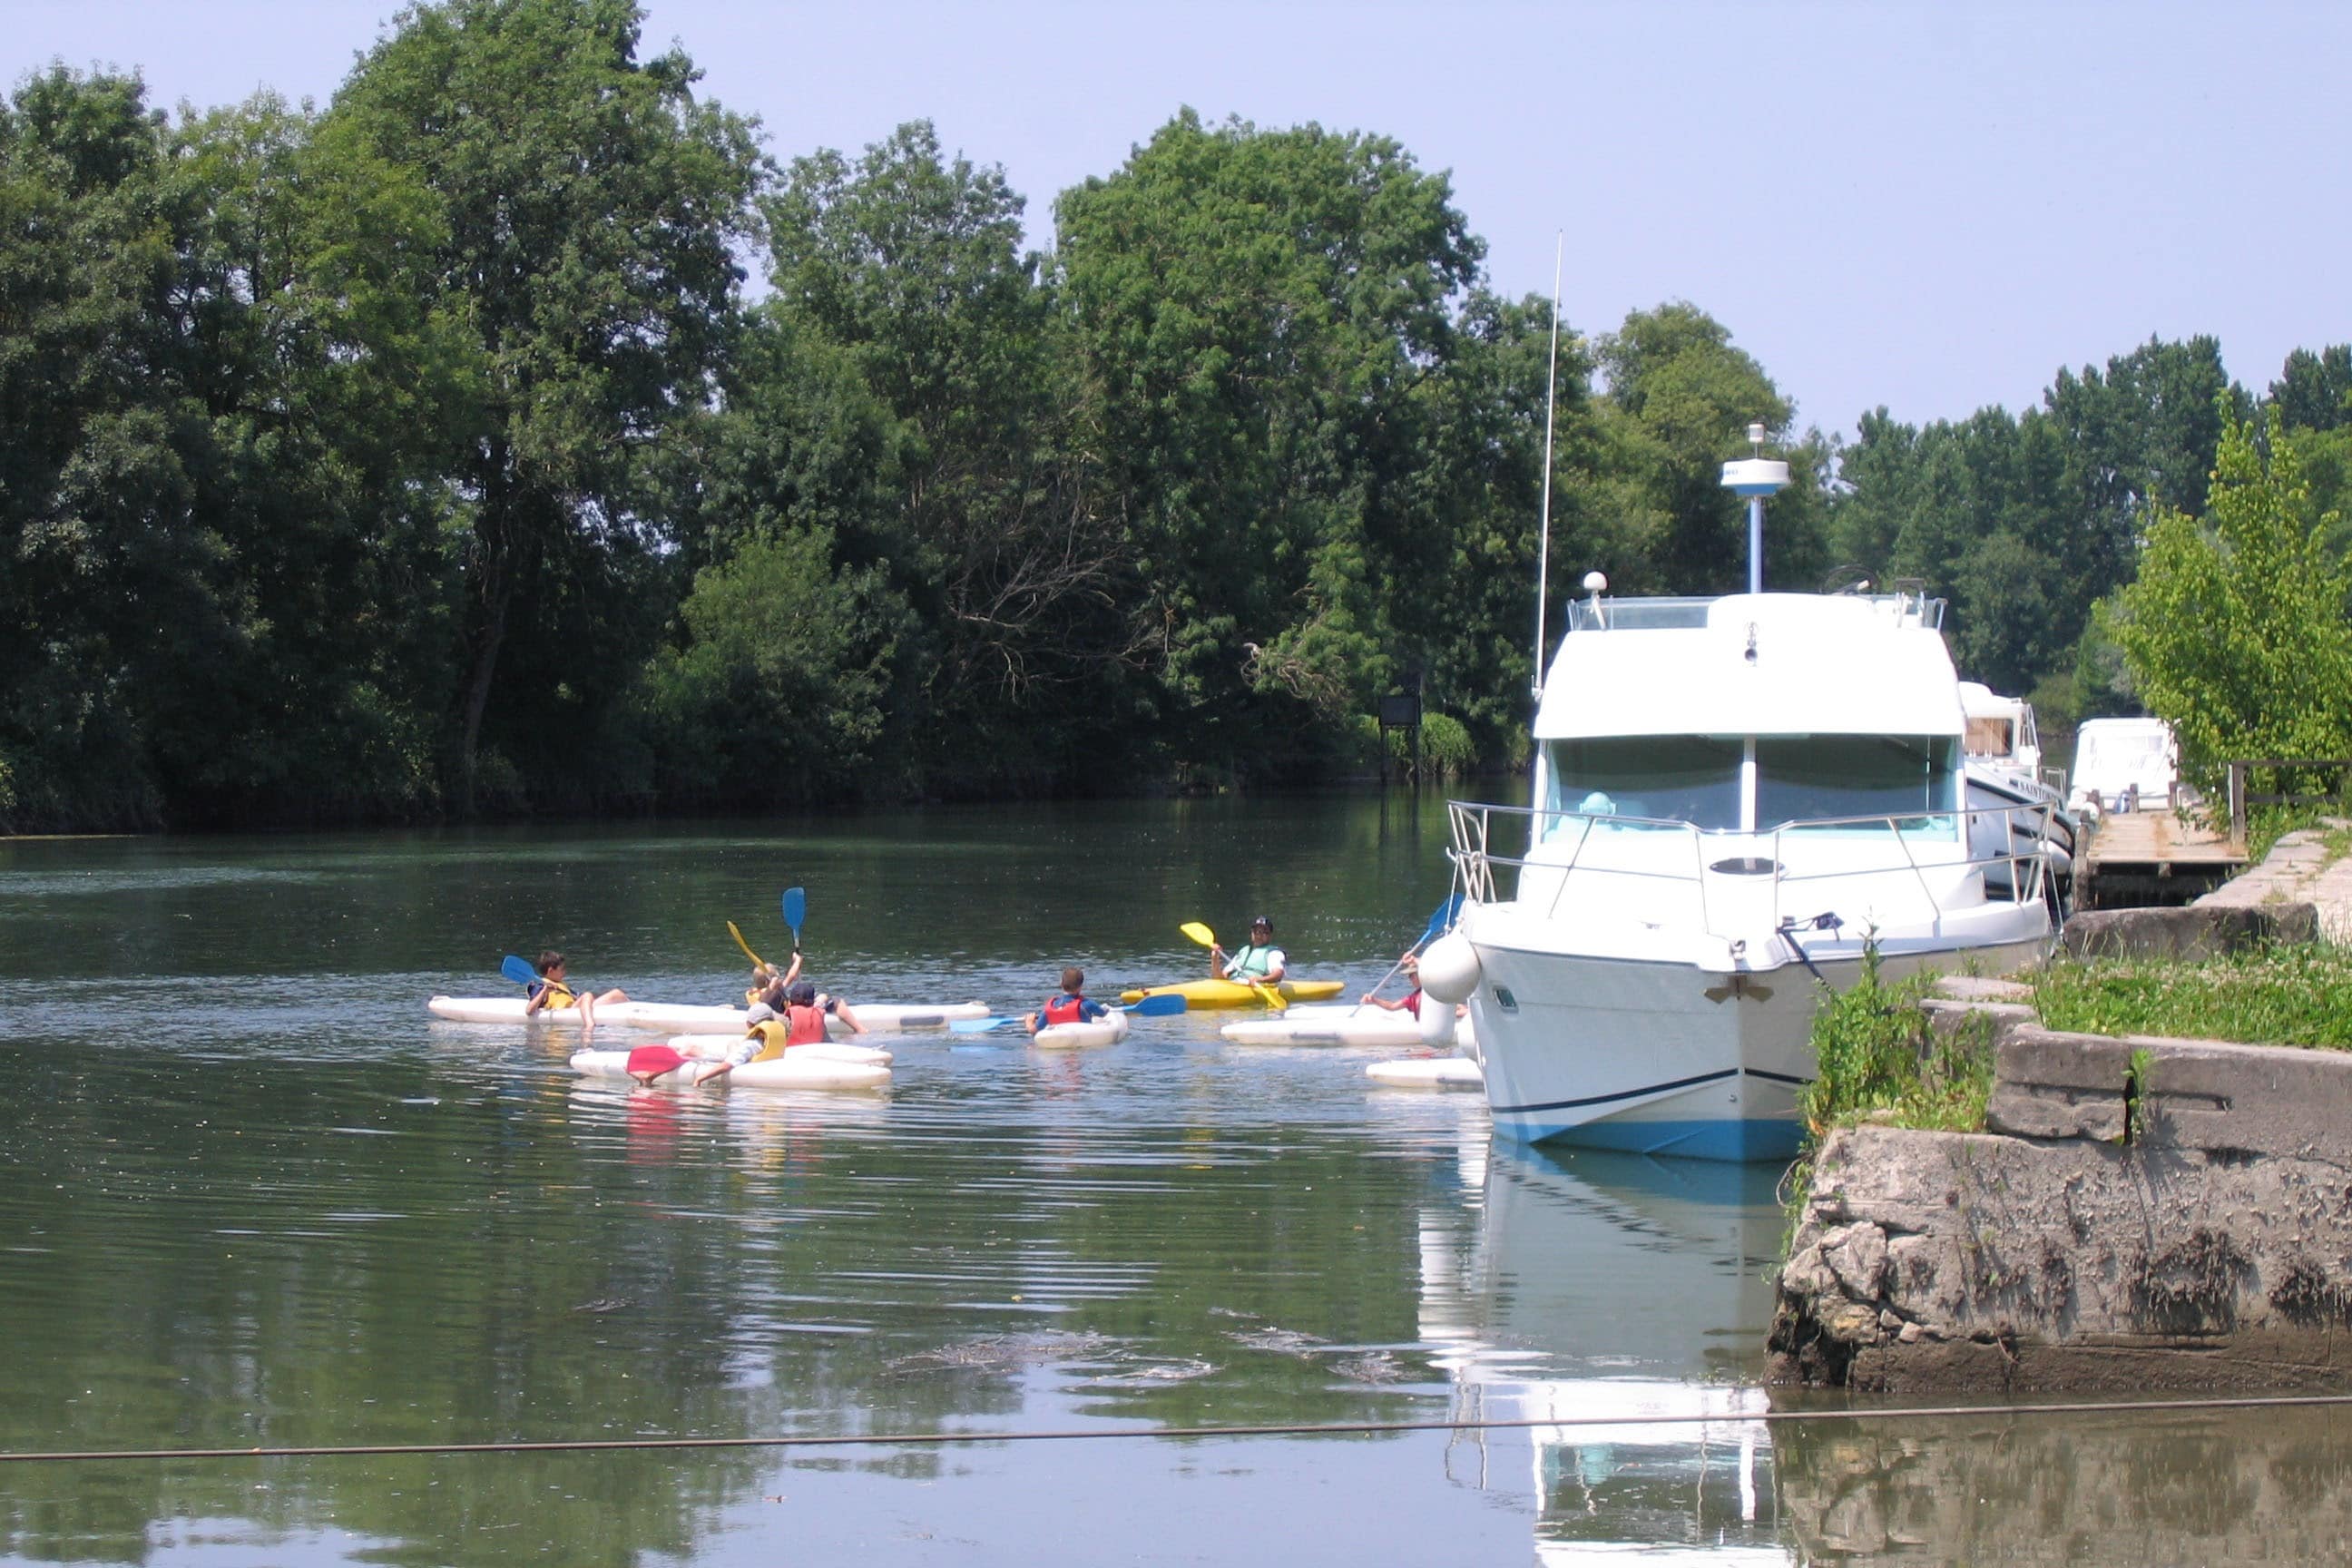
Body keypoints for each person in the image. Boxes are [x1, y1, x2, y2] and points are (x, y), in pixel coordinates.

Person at [524, 951, 628, 1035]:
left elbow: (578, 998)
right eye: (562, 969)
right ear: (551, 971)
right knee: (587, 995)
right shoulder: (539, 985)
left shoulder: (561, 985)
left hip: (576, 1007)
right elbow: (529, 1010)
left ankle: (637, 1012)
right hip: (565, 1012)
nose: (565, 972)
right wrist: (545, 990)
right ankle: (589, 1026)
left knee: (617, 994)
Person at [1024, 966, 1109, 1034]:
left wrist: (1029, 1022)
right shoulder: (1087, 1005)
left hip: (1059, 1040)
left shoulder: (1052, 1007)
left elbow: (1033, 1030)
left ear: (1061, 984)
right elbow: (1102, 1013)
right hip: (1083, 1039)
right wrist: (1106, 1008)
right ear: (1081, 986)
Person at [1210, 916, 1287, 986]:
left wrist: (1259, 979)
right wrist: (1215, 958)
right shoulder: (1243, 951)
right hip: (1233, 984)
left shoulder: (1274, 953)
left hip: (1255, 986)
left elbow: (1278, 975)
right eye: (1256, 931)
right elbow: (1220, 978)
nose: (1259, 935)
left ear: (1270, 935)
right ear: (1252, 933)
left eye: (1264, 932)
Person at [1360, 952, 1425, 1016]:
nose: (1410, 979)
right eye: (1409, 976)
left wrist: (1414, 959)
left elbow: (1433, 972)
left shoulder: (1433, 991)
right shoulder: (1413, 998)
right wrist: (1374, 1000)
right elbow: (1392, 1006)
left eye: (1411, 975)